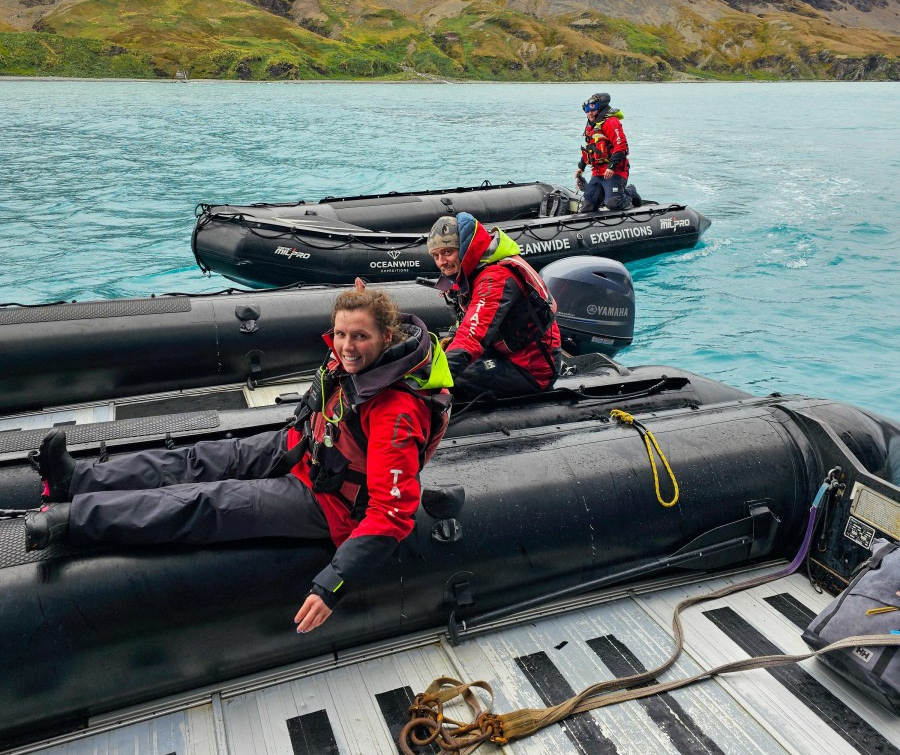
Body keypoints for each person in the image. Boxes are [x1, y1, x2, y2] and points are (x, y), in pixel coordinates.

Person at [25, 288, 452, 634]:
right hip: (303, 448)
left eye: (360, 336)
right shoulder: (352, 361)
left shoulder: (397, 411)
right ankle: (76, 479)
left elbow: (392, 514)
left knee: (209, 502)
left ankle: (75, 518)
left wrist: (332, 584)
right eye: (341, 334)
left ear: (387, 338)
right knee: (198, 458)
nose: (347, 345)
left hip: (331, 503)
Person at [427, 211, 561, 402]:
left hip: (531, 369)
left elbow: (472, 336)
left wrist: (433, 380)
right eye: (436, 255)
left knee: (453, 383)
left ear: (464, 248)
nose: (442, 262)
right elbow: (466, 321)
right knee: (436, 356)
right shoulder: (473, 271)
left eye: (448, 252)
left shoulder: (495, 277)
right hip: (502, 354)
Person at [574, 92, 632, 212]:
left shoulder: (611, 122)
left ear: (600, 109)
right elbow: (590, 148)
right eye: (587, 111)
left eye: (593, 110)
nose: (590, 113)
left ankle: (631, 193)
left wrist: (611, 167)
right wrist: (581, 167)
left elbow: (621, 146)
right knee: (587, 208)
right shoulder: (591, 126)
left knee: (613, 203)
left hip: (615, 171)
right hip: (598, 173)